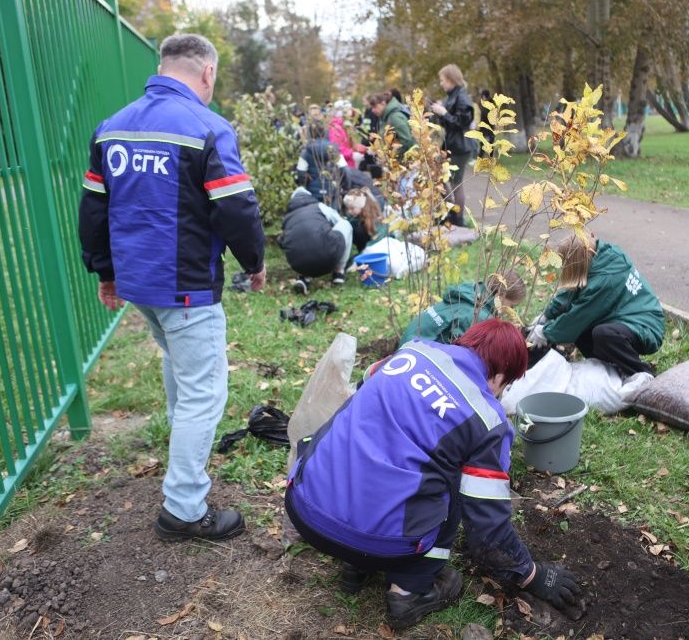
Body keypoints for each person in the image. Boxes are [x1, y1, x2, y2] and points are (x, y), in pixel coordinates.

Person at [78, 33, 265, 542]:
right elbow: (237, 208)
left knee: (178, 366)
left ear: (163, 65)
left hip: (141, 286)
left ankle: (183, 449)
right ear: (207, 72)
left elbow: (93, 210)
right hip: (186, 287)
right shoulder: (208, 127)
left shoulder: (112, 127)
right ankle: (183, 508)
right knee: (205, 391)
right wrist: (254, 263)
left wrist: (106, 272)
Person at [284, 319, 581, 629]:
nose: (500, 394)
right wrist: (531, 574)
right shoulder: (486, 420)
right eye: (506, 387)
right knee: (452, 482)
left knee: (367, 421)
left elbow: (365, 383)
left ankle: (356, 564)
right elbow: (488, 533)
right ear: (501, 376)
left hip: (305, 506)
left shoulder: (413, 352)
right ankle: (408, 592)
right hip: (375, 539)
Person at [527, 233, 664, 377]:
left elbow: (577, 319)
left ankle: (642, 374)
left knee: (603, 334)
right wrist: (546, 315)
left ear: (576, 261)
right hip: (622, 316)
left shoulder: (605, 279)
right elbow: (573, 289)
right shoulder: (598, 258)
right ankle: (609, 371)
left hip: (645, 325)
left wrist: (546, 332)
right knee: (586, 332)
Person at [399, 270, 525, 346]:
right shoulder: (479, 315)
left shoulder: (472, 292)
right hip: (414, 354)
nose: (511, 311)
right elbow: (459, 350)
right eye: (512, 306)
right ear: (500, 296)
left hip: (410, 341)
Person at [280, 187, 352, 293]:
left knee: (303, 242)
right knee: (345, 224)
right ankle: (339, 272)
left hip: (298, 265)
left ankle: (305, 277)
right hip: (328, 257)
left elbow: (282, 242)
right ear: (309, 197)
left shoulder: (287, 219)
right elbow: (338, 220)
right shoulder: (319, 207)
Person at [429, 64, 475, 226]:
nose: (441, 83)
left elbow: (462, 123)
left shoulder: (462, 97)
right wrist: (440, 113)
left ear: (450, 79)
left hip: (460, 147)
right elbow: (450, 122)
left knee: (456, 183)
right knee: (442, 179)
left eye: (442, 80)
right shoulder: (453, 95)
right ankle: (450, 214)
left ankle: (458, 220)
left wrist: (444, 113)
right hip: (452, 145)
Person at [296, 120, 347, 205]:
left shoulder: (306, 152)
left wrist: (305, 184)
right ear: (324, 132)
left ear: (310, 134)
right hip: (332, 191)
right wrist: (343, 186)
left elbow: (301, 173)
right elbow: (344, 170)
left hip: (313, 192)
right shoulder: (334, 150)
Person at [368, 91, 416, 155]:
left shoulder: (395, 117)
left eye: (375, 107)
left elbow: (407, 141)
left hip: (404, 161)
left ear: (383, 103)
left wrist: (391, 154)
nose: (372, 110)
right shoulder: (385, 117)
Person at [343, 187, 388, 253]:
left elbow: (378, 239)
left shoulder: (375, 220)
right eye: (348, 208)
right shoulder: (353, 219)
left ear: (361, 206)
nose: (349, 211)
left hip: (374, 252)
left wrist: (364, 252)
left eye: (352, 208)